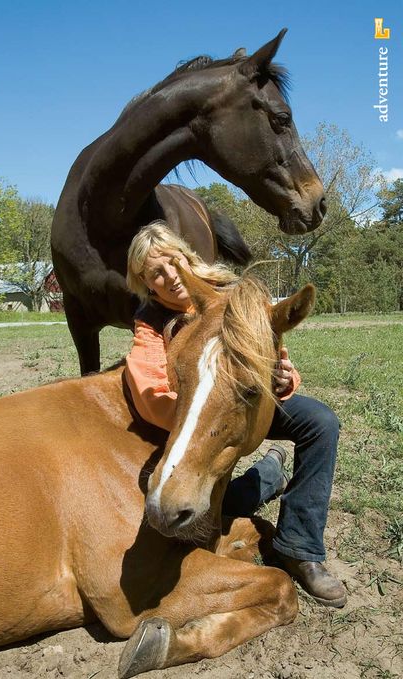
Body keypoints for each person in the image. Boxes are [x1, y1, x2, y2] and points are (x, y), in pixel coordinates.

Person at [123, 220, 347, 608]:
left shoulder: (232, 293)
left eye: (174, 263)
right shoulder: (151, 321)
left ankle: (299, 546)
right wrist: (200, 417)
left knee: (320, 423)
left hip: (248, 404)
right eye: (155, 274)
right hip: (189, 421)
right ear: (146, 283)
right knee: (212, 509)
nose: (170, 277)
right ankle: (269, 473)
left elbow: (278, 361)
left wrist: (283, 381)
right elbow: (150, 387)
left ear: (187, 257)